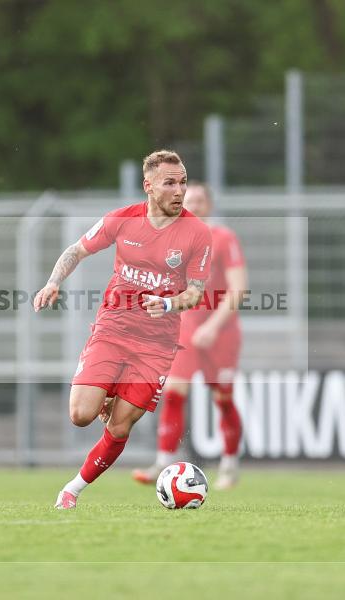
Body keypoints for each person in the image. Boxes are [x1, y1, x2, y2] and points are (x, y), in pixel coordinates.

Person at [33, 150, 212, 509]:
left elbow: (195, 293)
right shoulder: (122, 220)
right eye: (170, 183)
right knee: (81, 415)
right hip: (112, 331)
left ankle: (72, 490)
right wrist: (53, 282)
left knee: (119, 428)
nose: (179, 191)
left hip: (156, 346)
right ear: (148, 186)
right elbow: (76, 250)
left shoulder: (196, 233)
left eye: (183, 182)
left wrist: (167, 304)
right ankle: (108, 391)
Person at [131, 183, 248, 490]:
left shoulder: (223, 238)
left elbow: (238, 289)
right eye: (187, 200)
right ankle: (163, 461)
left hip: (221, 332)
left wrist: (213, 326)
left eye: (198, 199)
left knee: (222, 398)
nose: (192, 204)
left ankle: (230, 466)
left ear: (207, 205)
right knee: (172, 393)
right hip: (185, 329)